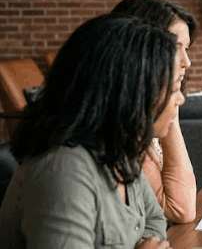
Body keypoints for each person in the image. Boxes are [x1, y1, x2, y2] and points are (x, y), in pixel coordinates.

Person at [0, 14, 181, 248]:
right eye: (174, 89)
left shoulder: (119, 150)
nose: (181, 99)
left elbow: (155, 219)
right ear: (131, 93)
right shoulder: (64, 171)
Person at [111, 0, 197, 224]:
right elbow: (179, 209)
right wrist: (170, 108)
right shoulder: (119, 128)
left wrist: (169, 105)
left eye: (187, 48)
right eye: (175, 48)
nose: (187, 62)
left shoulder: (146, 117)